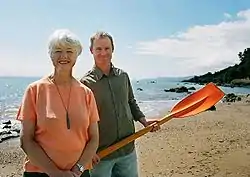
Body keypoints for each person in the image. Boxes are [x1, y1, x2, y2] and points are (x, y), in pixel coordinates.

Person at [17, 29, 100, 177]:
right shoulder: (34, 90)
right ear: (50, 54)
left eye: (69, 51)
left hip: (78, 174)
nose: (64, 56)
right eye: (58, 51)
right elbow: (26, 140)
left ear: (76, 55)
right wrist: (55, 173)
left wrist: (78, 169)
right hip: (40, 173)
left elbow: (94, 138)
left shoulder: (86, 93)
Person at [80, 31, 160, 177]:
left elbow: (131, 102)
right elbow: (82, 121)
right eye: (98, 49)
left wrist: (144, 121)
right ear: (91, 50)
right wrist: (87, 151)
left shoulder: (123, 76)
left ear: (113, 49)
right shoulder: (85, 84)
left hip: (127, 150)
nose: (103, 53)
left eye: (107, 48)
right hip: (102, 155)